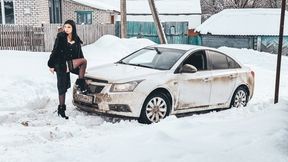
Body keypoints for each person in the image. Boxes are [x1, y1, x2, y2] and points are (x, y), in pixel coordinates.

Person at [47, 20, 87, 119]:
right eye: (65, 27)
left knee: (83, 61)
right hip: (60, 64)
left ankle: (81, 82)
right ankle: (61, 110)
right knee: (62, 87)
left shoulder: (76, 39)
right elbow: (55, 51)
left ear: (73, 28)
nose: (66, 29)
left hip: (69, 64)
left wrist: (81, 69)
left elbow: (80, 55)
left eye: (69, 27)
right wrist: (50, 65)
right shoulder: (60, 38)